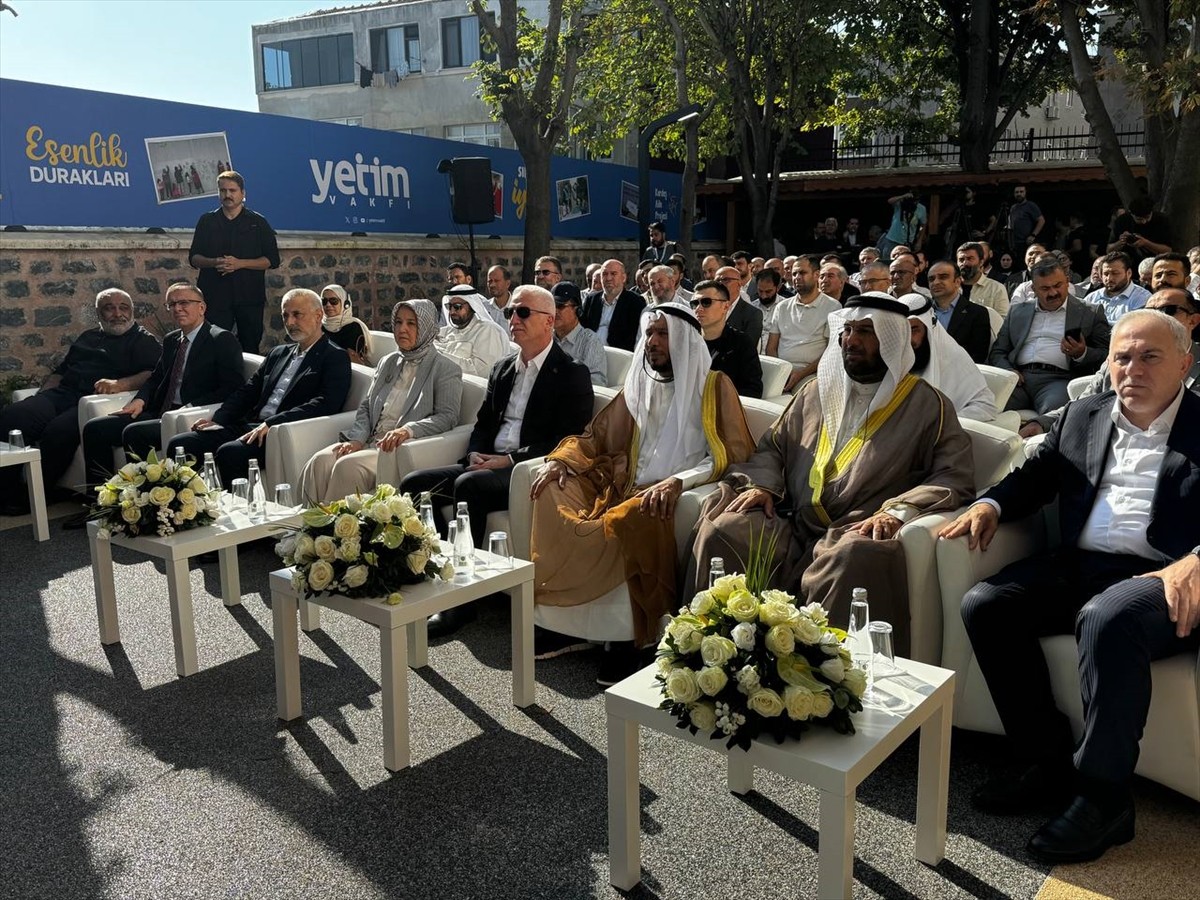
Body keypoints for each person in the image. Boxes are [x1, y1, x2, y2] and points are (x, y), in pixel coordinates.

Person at [940, 308, 1199, 864]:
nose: (1133, 369)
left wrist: (1198, 559)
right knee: (988, 604)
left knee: (1109, 617)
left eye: (1150, 357)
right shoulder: (1084, 414)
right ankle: (1044, 759)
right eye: (1122, 357)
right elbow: (1033, 478)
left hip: (1167, 576)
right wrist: (991, 504)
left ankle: (1104, 799)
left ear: (1184, 363)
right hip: (1084, 565)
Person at [689, 293, 975, 653]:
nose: (851, 341)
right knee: (724, 530)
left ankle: (823, 674)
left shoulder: (927, 404)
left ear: (892, 340)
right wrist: (762, 485)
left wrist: (897, 512)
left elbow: (953, 474)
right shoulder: (815, 390)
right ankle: (721, 654)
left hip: (857, 526)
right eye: (848, 330)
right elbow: (773, 447)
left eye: (866, 332)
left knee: (854, 557)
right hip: (791, 519)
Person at [529, 301, 755, 683]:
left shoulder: (714, 386)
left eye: (663, 333)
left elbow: (732, 453)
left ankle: (627, 639)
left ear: (684, 340)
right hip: (621, 482)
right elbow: (596, 436)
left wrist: (680, 481)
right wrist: (561, 462)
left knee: (630, 516)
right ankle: (567, 622)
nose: (653, 341)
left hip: (664, 494)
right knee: (551, 490)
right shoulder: (639, 381)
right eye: (649, 333)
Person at [399, 286, 593, 637]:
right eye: (510, 312)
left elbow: (568, 439)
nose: (513, 319)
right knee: (414, 485)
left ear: (549, 322)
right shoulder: (503, 368)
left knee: (468, 486)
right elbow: (483, 424)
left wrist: (509, 460)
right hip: (486, 463)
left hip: (526, 468)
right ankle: (436, 574)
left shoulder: (571, 372)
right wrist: (476, 451)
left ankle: (461, 603)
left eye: (523, 312)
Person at [72, 282, 242, 525]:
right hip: (160, 410)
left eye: (184, 303)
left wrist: (190, 407)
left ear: (202, 307)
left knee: (135, 433)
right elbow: (156, 377)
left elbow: (231, 387)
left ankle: (143, 506)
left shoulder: (221, 339)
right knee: (96, 428)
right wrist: (139, 399)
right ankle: (99, 506)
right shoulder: (173, 340)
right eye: (172, 304)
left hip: (189, 414)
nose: (177, 308)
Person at [165, 289, 351, 486]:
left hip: (284, 432)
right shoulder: (278, 353)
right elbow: (248, 391)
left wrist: (272, 423)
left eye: (297, 315)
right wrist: (219, 419)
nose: (289, 322)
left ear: (318, 315)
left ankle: (237, 504)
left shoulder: (334, 356)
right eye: (285, 316)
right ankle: (193, 502)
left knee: (230, 453)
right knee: (180, 444)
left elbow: (325, 403)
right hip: (251, 424)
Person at [0, 288, 160, 515]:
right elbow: (60, 372)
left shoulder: (143, 340)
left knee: (58, 431)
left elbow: (153, 374)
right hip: (62, 394)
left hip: (93, 401)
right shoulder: (88, 337)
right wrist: (41, 396)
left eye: (123, 308)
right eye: (109, 308)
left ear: (132, 311)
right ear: (98, 313)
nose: (117, 314)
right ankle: (6, 490)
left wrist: (121, 383)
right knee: (14, 415)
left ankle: (36, 495)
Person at [299, 299, 462, 503]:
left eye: (411, 323)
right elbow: (367, 406)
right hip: (370, 440)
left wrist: (408, 430)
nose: (402, 329)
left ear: (426, 327)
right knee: (319, 462)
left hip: (395, 449)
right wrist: (357, 440)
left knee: (347, 467)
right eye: (398, 322)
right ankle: (306, 521)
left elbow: (447, 416)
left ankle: (334, 523)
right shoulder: (388, 361)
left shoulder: (445, 368)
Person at [1020, 288, 1200, 437]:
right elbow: (1083, 404)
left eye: (1168, 310)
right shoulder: (1116, 362)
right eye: (1150, 311)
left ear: (1193, 320)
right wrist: (1041, 423)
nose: (1132, 369)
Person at [988, 257, 1111, 414]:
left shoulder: (1089, 312)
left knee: (1053, 415)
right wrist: (1008, 370)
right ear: (1034, 289)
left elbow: (1107, 355)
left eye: (1058, 285)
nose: (1053, 293)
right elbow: (998, 351)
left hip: (1058, 381)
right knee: (986, 406)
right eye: (1045, 288)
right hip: (1018, 379)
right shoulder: (1017, 311)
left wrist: (1082, 353)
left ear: (1067, 282)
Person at [188, 170, 280, 353]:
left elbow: (272, 260)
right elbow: (194, 258)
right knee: (211, 346)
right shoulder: (207, 221)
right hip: (215, 296)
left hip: (249, 297)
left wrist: (240, 264)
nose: (227, 195)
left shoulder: (258, 222)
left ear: (243, 193)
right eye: (223, 190)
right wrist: (215, 262)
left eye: (232, 190)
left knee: (250, 346)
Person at [903, 294, 997, 421]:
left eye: (914, 330)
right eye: (904, 331)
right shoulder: (897, 357)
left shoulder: (954, 357)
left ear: (928, 329)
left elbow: (986, 407)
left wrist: (943, 422)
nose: (908, 339)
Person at [766, 255, 841, 393]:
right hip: (780, 371)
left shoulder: (833, 307)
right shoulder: (782, 307)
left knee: (804, 396)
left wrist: (800, 374)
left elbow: (831, 351)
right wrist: (779, 371)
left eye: (802, 273)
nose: (797, 277)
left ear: (816, 275)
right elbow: (771, 348)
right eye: (794, 273)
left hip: (811, 374)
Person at [690, 280, 763, 398]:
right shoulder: (688, 341)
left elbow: (753, 390)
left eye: (706, 302)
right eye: (694, 303)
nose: (698, 309)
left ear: (725, 306)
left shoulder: (741, 343)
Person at [436, 284, 510, 377]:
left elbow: (483, 371)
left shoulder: (488, 331)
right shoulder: (445, 332)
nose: (452, 311)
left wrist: (439, 357)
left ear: (472, 306)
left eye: (457, 306)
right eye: (449, 306)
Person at [927, 260, 993, 363]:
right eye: (931, 279)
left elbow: (978, 355)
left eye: (943, 277)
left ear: (957, 282)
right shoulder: (923, 312)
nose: (935, 282)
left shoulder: (977, 313)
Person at [580, 259, 647, 351]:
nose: (608, 278)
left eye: (613, 274)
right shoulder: (591, 299)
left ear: (623, 278)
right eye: (604, 274)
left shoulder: (635, 302)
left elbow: (636, 337)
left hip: (618, 354)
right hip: (590, 352)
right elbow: (583, 328)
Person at [551, 282, 607, 386]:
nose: (554, 311)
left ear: (578, 310)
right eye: (551, 306)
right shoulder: (545, 337)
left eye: (560, 306)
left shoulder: (590, 341)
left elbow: (597, 382)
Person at [1084, 251, 1151, 325]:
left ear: (1129, 273)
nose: (1109, 278)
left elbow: (1134, 326)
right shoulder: (1091, 298)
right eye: (1106, 274)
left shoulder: (1142, 298)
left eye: (1115, 273)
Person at [1107, 195, 1172, 264]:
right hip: (1129, 262)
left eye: (1147, 217)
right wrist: (1121, 242)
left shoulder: (1161, 220)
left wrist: (1145, 243)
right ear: (1131, 214)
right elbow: (1109, 250)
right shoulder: (1122, 221)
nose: (1144, 222)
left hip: (1155, 261)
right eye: (1139, 219)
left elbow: (1168, 250)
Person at [319, 284, 373, 366]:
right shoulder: (319, 326)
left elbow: (350, 358)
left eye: (333, 301)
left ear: (345, 304)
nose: (328, 305)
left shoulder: (353, 327)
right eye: (324, 301)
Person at [714, 266, 764, 351]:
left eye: (726, 280)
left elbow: (748, 347)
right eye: (717, 281)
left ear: (739, 284)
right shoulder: (709, 308)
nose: (720, 284)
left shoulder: (752, 314)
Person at [956, 241, 1009, 317]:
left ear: (981, 262)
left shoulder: (996, 289)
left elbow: (1003, 320)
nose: (965, 263)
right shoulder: (950, 288)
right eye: (961, 260)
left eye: (970, 259)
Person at [878, 192, 927, 259]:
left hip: (907, 242)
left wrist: (919, 241)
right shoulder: (900, 204)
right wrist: (903, 196)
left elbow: (923, 224)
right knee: (888, 260)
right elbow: (890, 201)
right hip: (893, 239)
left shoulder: (921, 208)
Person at [1006, 184, 1046, 251]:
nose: (1019, 194)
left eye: (1021, 192)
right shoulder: (1013, 207)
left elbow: (1041, 220)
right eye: (1017, 192)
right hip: (1014, 242)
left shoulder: (1030, 205)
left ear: (1025, 193)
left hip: (1026, 242)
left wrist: (1033, 235)